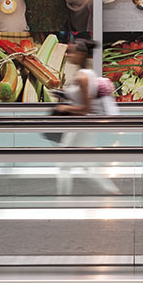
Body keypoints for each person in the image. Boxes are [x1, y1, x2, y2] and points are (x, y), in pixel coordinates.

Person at [52, 39, 119, 195]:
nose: (68, 55)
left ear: (81, 54)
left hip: (79, 126)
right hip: (84, 127)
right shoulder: (86, 73)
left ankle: (62, 200)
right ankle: (110, 189)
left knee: (64, 164)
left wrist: (65, 107)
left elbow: (85, 108)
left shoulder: (82, 77)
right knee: (86, 164)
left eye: (72, 51)